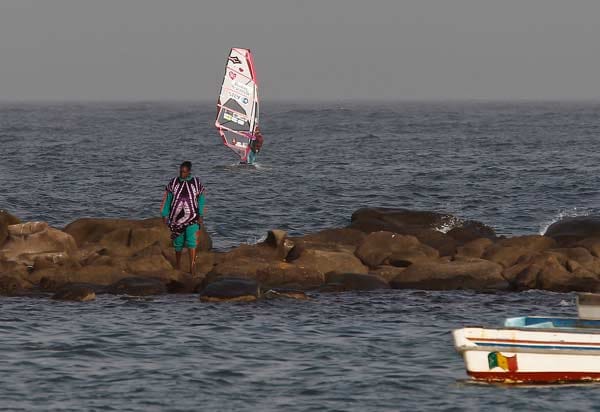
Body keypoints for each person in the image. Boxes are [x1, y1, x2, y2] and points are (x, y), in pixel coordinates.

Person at [160, 161, 206, 275]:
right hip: (176, 219)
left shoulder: (196, 183)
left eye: (184, 171)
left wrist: (200, 214)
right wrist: (164, 214)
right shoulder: (173, 182)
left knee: (192, 242)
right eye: (181, 171)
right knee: (178, 243)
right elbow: (168, 199)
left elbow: (201, 199)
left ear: (189, 172)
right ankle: (178, 265)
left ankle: (192, 267)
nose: (182, 173)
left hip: (192, 218)